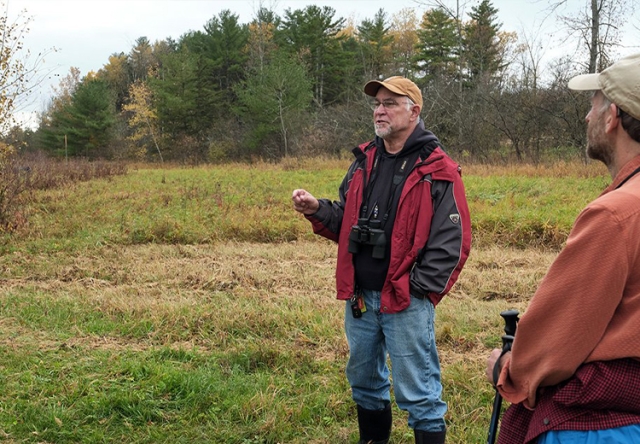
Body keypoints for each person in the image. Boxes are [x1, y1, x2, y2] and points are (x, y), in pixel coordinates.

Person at [292, 76, 471, 444]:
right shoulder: (364, 161)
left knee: (419, 394)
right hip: (360, 296)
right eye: (377, 103)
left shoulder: (438, 169)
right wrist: (318, 209)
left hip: (404, 299)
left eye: (390, 103)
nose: (379, 110)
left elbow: (453, 241)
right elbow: (348, 221)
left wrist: (418, 289)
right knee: (364, 383)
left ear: (414, 111)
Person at [486, 52, 640, 444]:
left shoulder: (615, 214)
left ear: (613, 116)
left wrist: (506, 367)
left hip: (605, 427)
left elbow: (552, 345)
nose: (587, 117)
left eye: (593, 105)